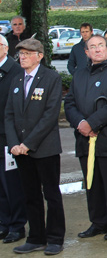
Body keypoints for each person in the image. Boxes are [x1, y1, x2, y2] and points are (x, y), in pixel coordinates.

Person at [64, 35, 107, 241]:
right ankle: (98, 221)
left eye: (100, 46)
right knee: (91, 183)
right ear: (86, 52)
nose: (96, 50)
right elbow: (69, 103)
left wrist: (92, 123)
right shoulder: (79, 74)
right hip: (85, 139)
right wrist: (81, 124)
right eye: (92, 47)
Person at [4, 39, 65, 255]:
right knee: (30, 195)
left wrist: (28, 144)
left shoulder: (51, 78)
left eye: (27, 53)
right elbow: (9, 114)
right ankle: (36, 237)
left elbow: (50, 116)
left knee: (51, 194)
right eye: (20, 53)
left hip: (44, 149)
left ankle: (55, 237)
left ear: (39, 56)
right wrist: (14, 144)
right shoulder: (17, 78)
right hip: (20, 150)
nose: (22, 57)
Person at [0, 35, 26, 245]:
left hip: (8, 138)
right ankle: (3, 222)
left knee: (12, 185)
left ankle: (17, 226)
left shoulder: (15, 72)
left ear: (5, 48)